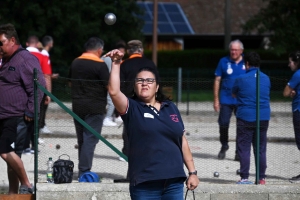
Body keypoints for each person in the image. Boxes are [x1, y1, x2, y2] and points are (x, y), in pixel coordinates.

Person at [106, 49, 199, 199]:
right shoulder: (132, 108)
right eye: (140, 80)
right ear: (135, 87)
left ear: (156, 87)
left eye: (149, 80)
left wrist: (192, 172)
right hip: (145, 184)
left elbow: (181, 140)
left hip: (174, 183)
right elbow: (114, 92)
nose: (144, 83)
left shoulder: (170, 107)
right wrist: (116, 63)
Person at [0, 23, 45, 194]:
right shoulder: (5, 59)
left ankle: (26, 185)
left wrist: (32, 110)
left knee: (5, 150)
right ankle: (13, 193)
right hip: (4, 115)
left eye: (1, 43)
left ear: (12, 40)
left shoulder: (25, 59)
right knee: (12, 156)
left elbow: (38, 86)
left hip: (17, 115)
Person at [69, 37, 109, 178]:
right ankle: (84, 171)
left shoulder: (75, 62)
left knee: (82, 139)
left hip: (78, 105)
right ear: (99, 50)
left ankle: (82, 170)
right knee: (90, 139)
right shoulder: (100, 65)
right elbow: (109, 86)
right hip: (95, 106)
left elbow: (69, 83)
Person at [232, 52, 270, 185]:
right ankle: (261, 177)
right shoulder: (266, 78)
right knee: (260, 148)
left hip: (245, 117)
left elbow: (233, 93)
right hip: (263, 117)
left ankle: (244, 177)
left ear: (247, 64)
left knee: (244, 147)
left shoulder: (241, 78)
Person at [119, 40, 157, 164]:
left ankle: (127, 152)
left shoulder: (124, 64)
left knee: (129, 128)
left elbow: (120, 85)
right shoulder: (150, 63)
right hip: (147, 100)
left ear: (129, 51)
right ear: (141, 51)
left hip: (129, 101)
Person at [214, 39, 246, 161]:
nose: (233, 52)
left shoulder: (246, 62)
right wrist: (216, 100)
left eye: (236, 50)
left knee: (242, 125)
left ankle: (239, 151)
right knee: (223, 123)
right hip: (226, 99)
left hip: (241, 100)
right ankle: (224, 145)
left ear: (241, 51)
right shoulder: (223, 61)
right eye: (232, 49)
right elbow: (217, 80)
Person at [23, 35, 47, 154]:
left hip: (23, 90)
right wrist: (48, 93)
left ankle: (24, 146)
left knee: (24, 120)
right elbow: (45, 75)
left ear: (27, 43)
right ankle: (34, 146)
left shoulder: (20, 55)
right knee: (36, 119)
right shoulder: (43, 56)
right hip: (39, 90)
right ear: (37, 44)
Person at [283, 51, 300, 183]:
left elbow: (285, 92)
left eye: (290, 62)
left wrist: (291, 91)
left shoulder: (297, 74)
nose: (289, 65)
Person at [101, 40, 126, 126]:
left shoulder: (104, 57)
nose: (122, 53)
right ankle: (107, 118)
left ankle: (109, 117)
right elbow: (110, 72)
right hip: (108, 83)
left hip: (102, 83)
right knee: (111, 101)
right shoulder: (110, 59)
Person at [39, 35, 59, 134]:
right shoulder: (44, 54)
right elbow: (46, 74)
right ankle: (41, 125)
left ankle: (41, 125)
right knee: (43, 106)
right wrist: (49, 93)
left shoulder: (40, 53)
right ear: (50, 44)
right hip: (43, 85)